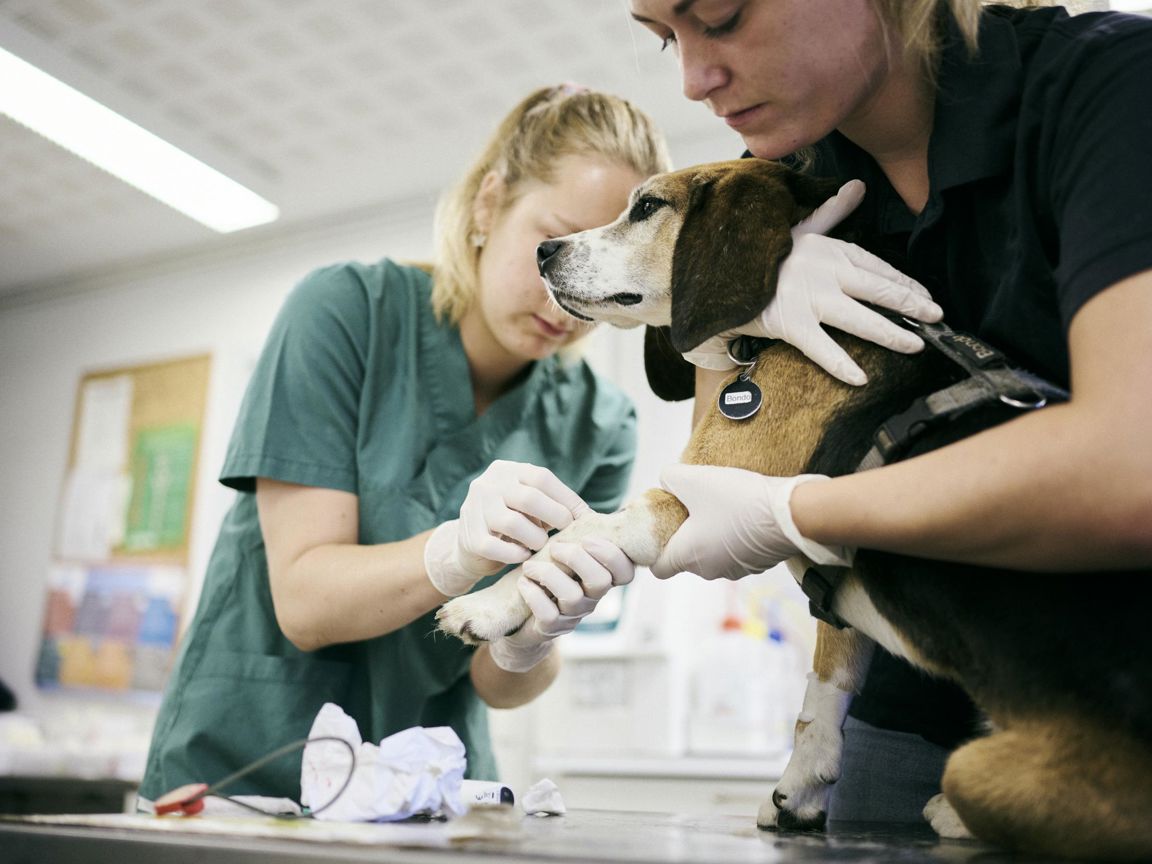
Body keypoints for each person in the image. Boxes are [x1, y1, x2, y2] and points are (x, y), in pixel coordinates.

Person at [628, 0, 1152, 821]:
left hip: (1120, 699)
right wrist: (739, 309)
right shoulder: (785, 173)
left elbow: (1132, 468)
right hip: (909, 692)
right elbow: (719, 424)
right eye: (664, 37)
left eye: (723, 17)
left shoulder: (1113, 87)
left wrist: (797, 511)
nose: (695, 79)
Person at [138, 84, 673, 805]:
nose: (566, 300)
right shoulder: (345, 314)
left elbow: (500, 683)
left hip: (421, 785)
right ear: (489, 206)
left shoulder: (599, 426)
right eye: (556, 244)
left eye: (605, 267)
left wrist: (529, 637)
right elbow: (305, 601)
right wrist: (457, 553)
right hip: (250, 766)